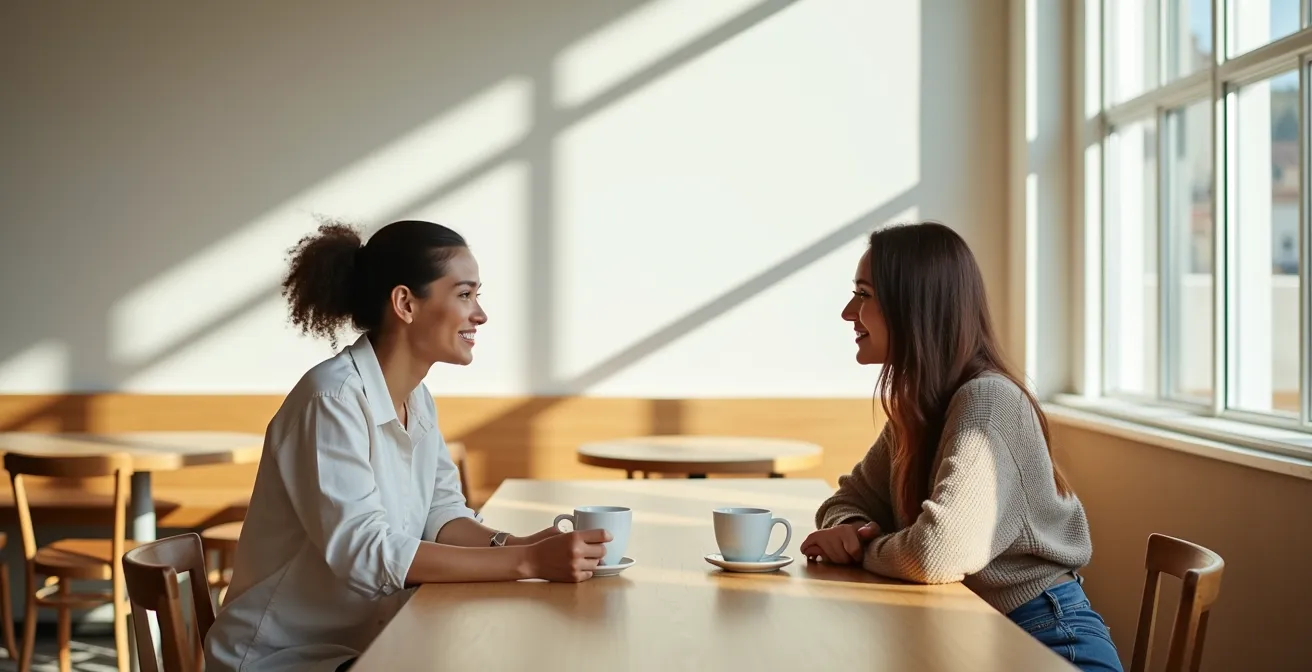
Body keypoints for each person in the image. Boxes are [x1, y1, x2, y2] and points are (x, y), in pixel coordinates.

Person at [204, 219, 611, 672]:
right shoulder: (332, 400)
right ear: (405, 303)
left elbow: (442, 515)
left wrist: (517, 544)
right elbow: (365, 554)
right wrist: (526, 561)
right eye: (464, 295)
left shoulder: (416, 398)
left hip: (372, 642)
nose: (480, 314)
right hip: (284, 657)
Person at [799, 222, 1123, 672]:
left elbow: (937, 553)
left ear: (913, 306)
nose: (847, 312)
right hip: (981, 636)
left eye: (864, 295)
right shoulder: (923, 407)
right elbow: (846, 499)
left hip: (1052, 644)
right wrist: (849, 527)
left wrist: (863, 550)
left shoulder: (988, 401)